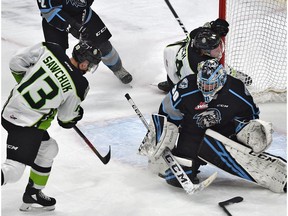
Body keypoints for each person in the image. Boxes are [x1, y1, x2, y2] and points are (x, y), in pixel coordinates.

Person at [140, 59, 286, 193]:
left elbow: (251, 115)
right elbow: (166, 111)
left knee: (251, 135)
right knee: (175, 179)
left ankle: (260, 167)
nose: (206, 88)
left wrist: (244, 132)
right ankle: (189, 162)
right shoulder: (186, 87)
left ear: (221, 80)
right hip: (192, 134)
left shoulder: (236, 89)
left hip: (225, 133)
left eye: (210, 85)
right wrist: (164, 133)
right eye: (203, 83)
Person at [1, 41, 100, 211]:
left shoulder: (51, 48)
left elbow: (15, 63)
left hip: (11, 109)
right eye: (90, 65)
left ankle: (33, 193)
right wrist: (76, 115)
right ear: (84, 63)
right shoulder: (79, 84)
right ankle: (32, 192)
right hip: (27, 124)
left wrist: (27, 82)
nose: (89, 69)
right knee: (14, 170)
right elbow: (65, 119)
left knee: (48, 148)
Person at [36, 0, 132, 84]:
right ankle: (58, 83)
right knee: (56, 55)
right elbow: (48, 11)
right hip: (54, 17)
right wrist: (72, 25)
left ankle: (117, 69)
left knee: (103, 45)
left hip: (80, 11)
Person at [158, 18, 251, 92]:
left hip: (176, 63)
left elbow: (204, 29)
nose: (219, 50)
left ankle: (172, 83)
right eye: (215, 49)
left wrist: (214, 25)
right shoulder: (199, 67)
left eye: (218, 45)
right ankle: (173, 86)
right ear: (205, 52)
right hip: (186, 80)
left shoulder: (195, 36)